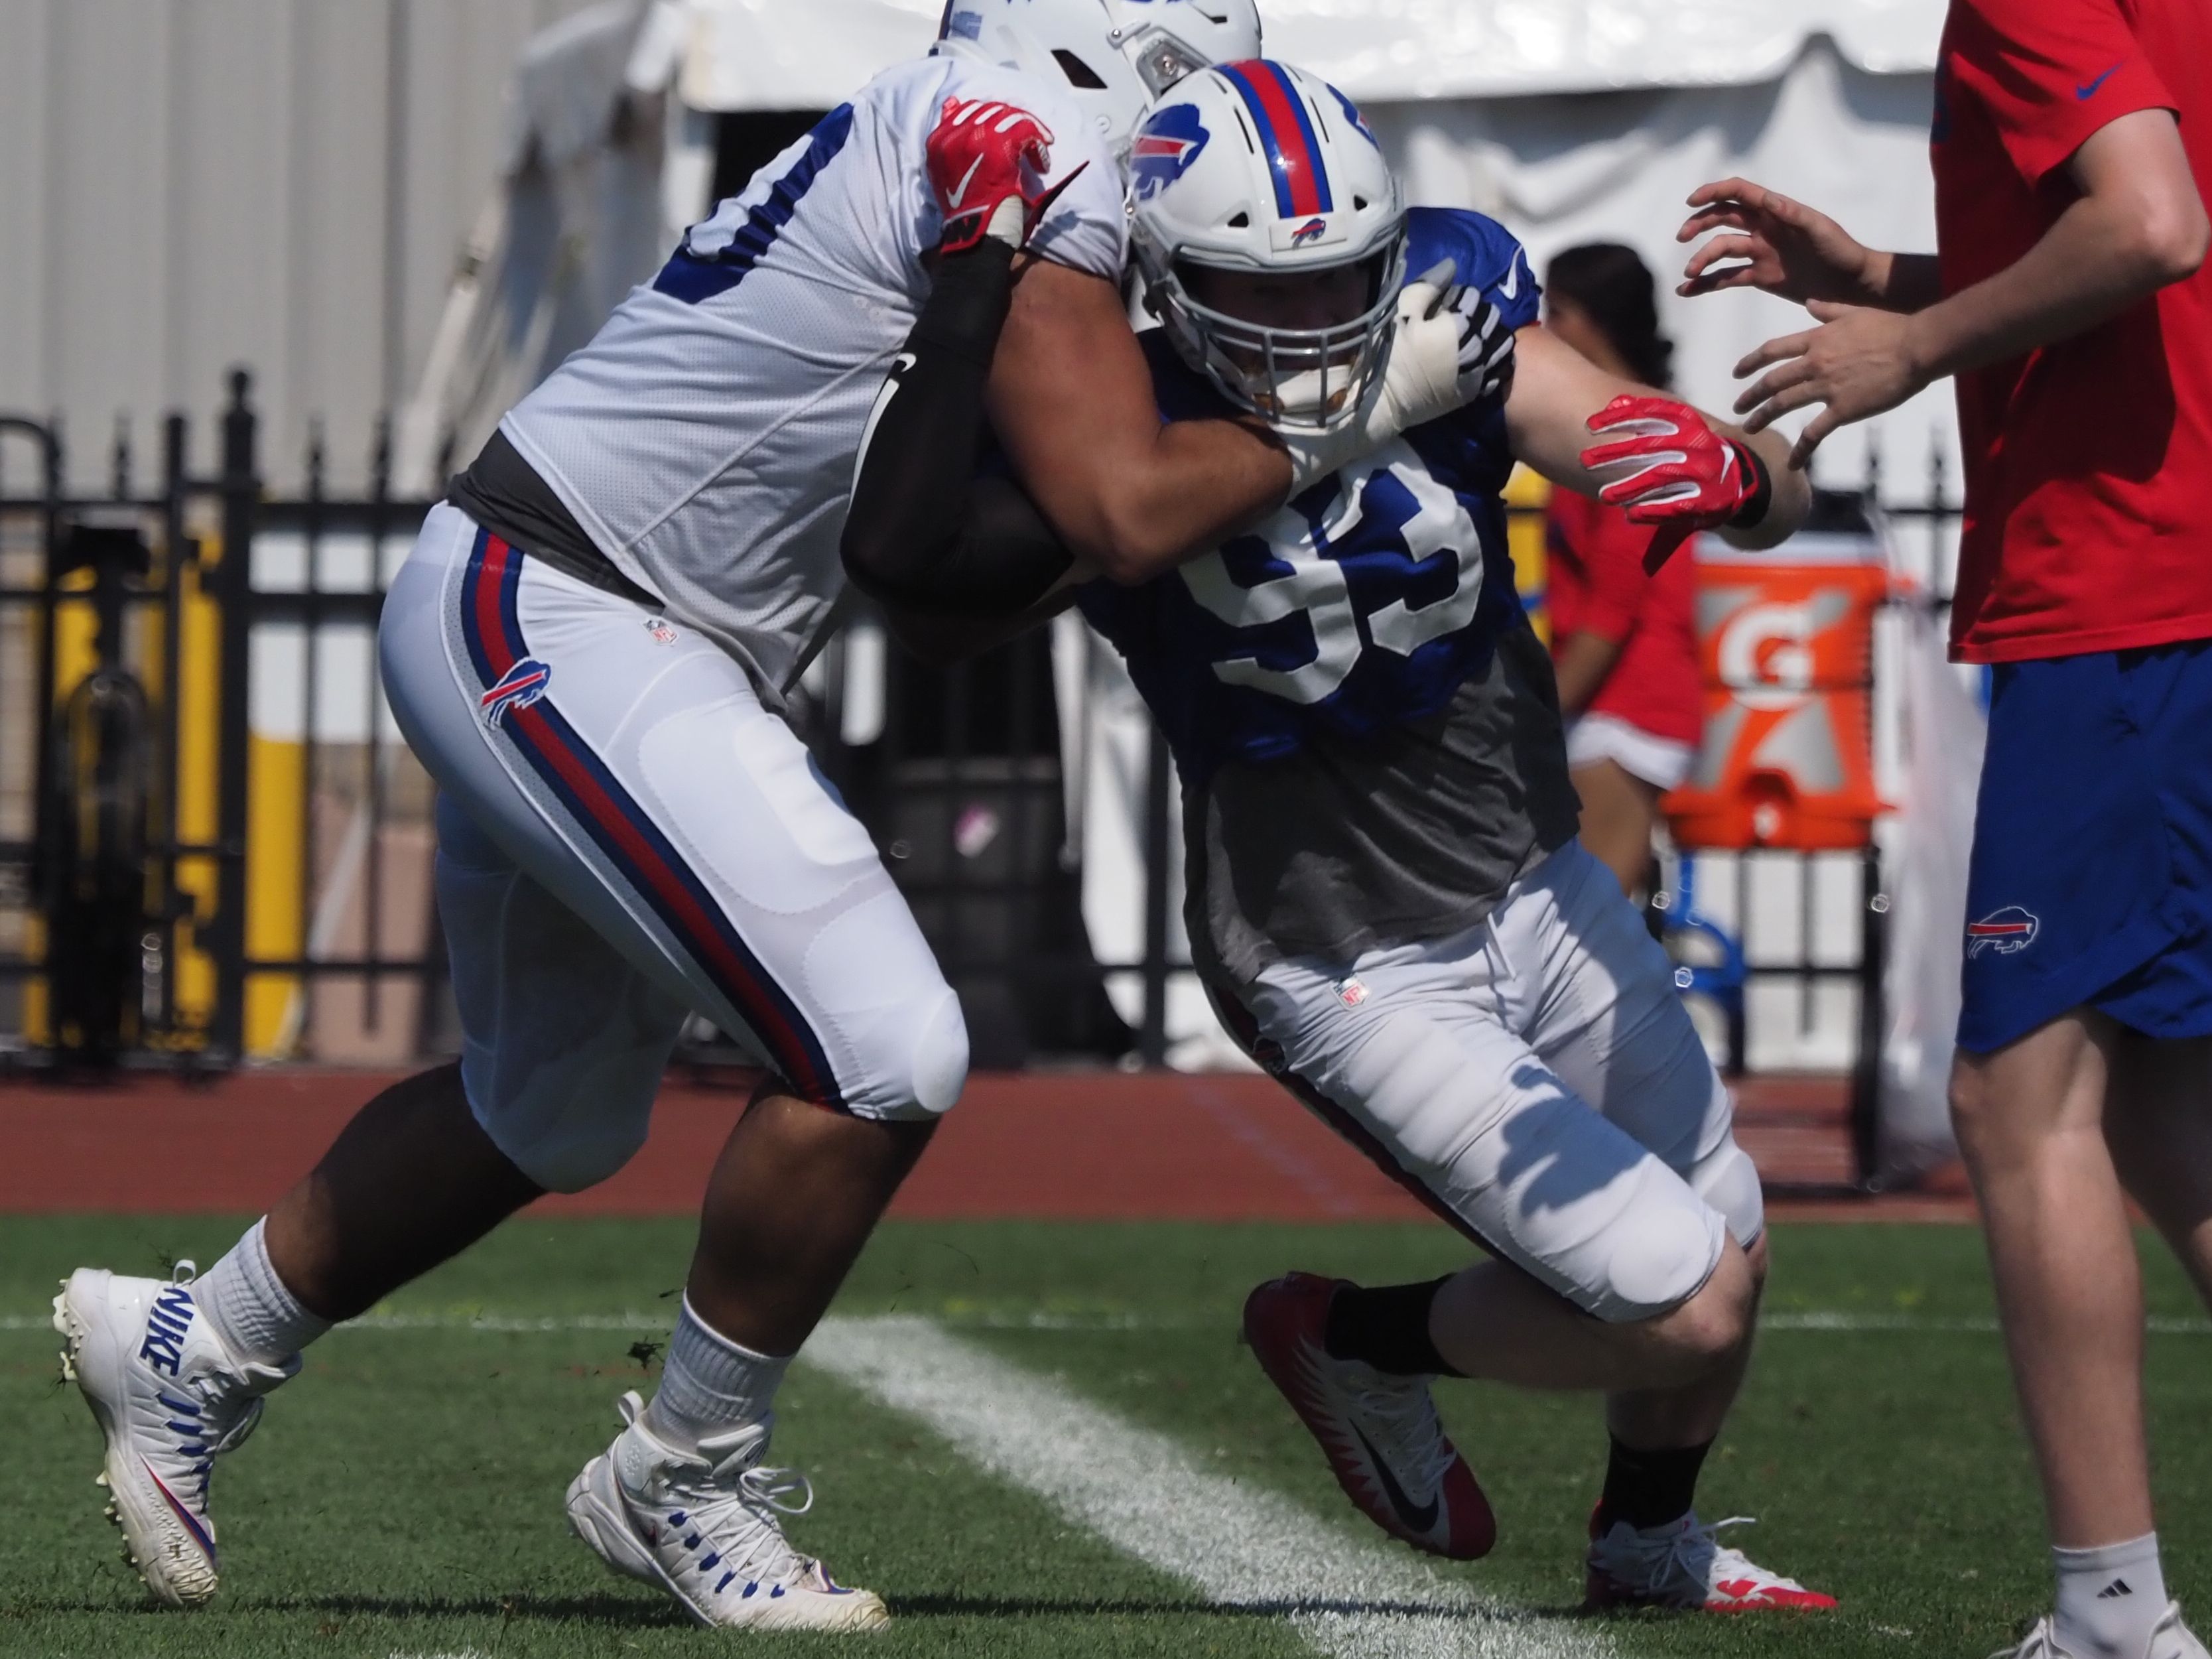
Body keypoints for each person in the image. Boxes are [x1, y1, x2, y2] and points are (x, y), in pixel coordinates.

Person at [48, 2, 1512, 1633]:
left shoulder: (978, 115)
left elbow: (946, 562)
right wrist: (1359, 409)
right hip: (573, 610)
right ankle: (686, 1465)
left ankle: (197, 1343)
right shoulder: (1049, 141)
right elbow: (1106, 509)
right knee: (884, 1044)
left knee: (552, 1107)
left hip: (580, 599)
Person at [842, 60, 1834, 1612]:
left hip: (1537, 874)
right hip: (1343, 947)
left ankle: (1645, 1546)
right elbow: (929, 602)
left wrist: (1748, 475)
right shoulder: (1121, 423)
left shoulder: (1453, 295)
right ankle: (1348, 1340)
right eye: (1263, 290)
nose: (1310, 325)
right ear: (1174, 280)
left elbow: (1711, 472)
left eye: (1337, 285)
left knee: (1735, 1239)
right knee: (1686, 1305)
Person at [1674, 0, 2212, 1652]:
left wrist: (1904, 347)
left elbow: (2148, 226)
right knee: (2171, 1107)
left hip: (2125, 591)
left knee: (2020, 1094)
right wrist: (1893, 281)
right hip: (2169, 588)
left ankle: (2109, 1611)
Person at [1539, 244, 1703, 900]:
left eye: (1556, 312)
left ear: (1591, 321)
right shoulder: (1618, 418)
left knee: (1584, 929)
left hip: (1623, 706)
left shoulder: (1634, 432)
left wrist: (1538, 720)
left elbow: (1613, 608)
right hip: (1611, 703)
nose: (1546, 331)